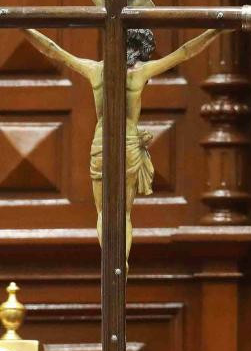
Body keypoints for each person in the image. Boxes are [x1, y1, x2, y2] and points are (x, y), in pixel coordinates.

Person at [21, 26, 224, 260]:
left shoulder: (95, 69)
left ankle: (110, 262)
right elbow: (185, 51)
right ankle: (121, 265)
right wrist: (215, 31)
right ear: (140, 49)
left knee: (103, 211)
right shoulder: (140, 72)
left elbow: (52, 49)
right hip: (127, 142)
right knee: (124, 213)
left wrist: (23, 27)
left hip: (101, 142)